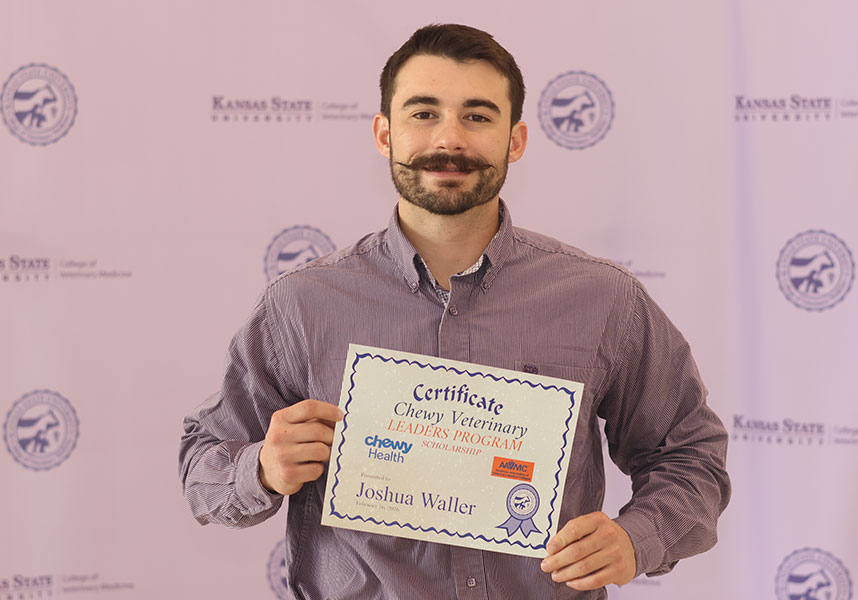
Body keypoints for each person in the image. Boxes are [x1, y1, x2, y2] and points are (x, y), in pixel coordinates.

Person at [179, 23, 731, 599]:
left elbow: (691, 456)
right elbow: (202, 469)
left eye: (477, 115)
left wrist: (637, 538)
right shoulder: (302, 305)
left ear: (515, 140)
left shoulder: (603, 299)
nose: (449, 140)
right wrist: (262, 468)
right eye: (423, 113)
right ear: (383, 133)